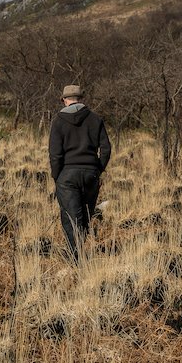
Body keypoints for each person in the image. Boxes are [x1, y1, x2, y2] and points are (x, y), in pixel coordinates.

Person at [49, 84, 111, 262]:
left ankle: (75, 257)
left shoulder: (58, 121)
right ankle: (78, 252)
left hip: (67, 175)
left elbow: (55, 154)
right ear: (81, 99)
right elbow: (106, 149)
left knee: (70, 216)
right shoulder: (95, 119)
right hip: (91, 173)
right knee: (85, 214)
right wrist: (98, 169)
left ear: (64, 100)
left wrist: (57, 176)